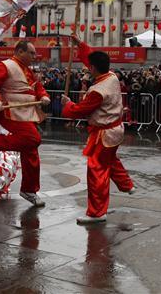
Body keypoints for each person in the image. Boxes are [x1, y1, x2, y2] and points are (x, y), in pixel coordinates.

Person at [60, 45, 135, 224]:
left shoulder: (97, 91)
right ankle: (127, 185)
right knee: (109, 159)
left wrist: (68, 104)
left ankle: (97, 212)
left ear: (93, 68)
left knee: (96, 170)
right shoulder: (112, 77)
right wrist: (80, 44)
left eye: (89, 67)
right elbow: (93, 59)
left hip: (105, 132)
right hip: (115, 129)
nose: (87, 68)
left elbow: (79, 111)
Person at [0, 41, 51, 207]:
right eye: (32, 53)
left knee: (31, 149)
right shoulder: (5, 66)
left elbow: (37, 87)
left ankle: (29, 189)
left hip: (26, 112)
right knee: (33, 139)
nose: (35, 57)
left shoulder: (28, 70)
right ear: (20, 52)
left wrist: (43, 96)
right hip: (10, 112)